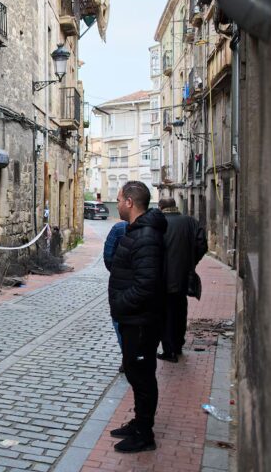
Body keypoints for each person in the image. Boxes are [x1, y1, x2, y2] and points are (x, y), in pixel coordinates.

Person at [108, 181, 167, 453]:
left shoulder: (145, 236)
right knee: (135, 372)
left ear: (130, 202)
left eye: (120, 199)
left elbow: (146, 284)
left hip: (140, 320)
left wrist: (120, 303)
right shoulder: (138, 231)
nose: (118, 203)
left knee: (142, 376)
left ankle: (145, 434)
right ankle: (139, 422)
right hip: (134, 319)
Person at [157, 198, 208, 362]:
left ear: (161, 207)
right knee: (180, 311)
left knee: (166, 314)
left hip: (163, 278)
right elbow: (202, 244)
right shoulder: (190, 222)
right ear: (175, 206)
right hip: (184, 277)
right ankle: (178, 345)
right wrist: (191, 262)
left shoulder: (159, 222)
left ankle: (169, 351)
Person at [103, 220, 128, 371]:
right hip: (147, 284)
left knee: (119, 321)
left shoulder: (119, 228)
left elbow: (108, 255)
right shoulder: (154, 227)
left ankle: (128, 356)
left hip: (121, 285)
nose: (117, 208)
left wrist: (117, 271)